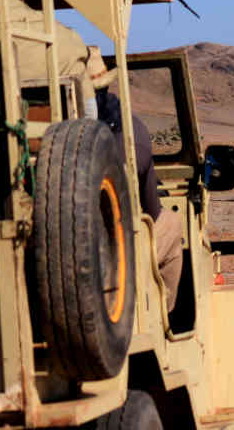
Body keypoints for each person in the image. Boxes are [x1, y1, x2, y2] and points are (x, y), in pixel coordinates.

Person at [85, 46, 184, 311]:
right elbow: (149, 207)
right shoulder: (129, 134)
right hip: (111, 243)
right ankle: (161, 313)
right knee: (172, 224)